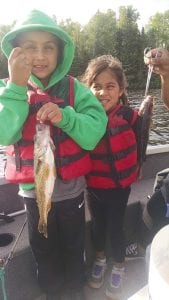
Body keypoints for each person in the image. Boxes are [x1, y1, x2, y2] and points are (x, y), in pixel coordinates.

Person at [0, 10, 107, 300]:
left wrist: (66, 118)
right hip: (33, 197)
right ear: (15, 53)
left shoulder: (76, 90)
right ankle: (50, 290)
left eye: (49, 47)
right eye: (30, 47)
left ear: (61, 52)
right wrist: (16, 87)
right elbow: (3, 133)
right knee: (43, 247)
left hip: (71, 193)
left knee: (74, 244)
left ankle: (74, 289)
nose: (40, 54)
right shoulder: (7, 90)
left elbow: (94, 132)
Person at [82, 55, 152, 299]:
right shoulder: (86, 119)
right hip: (93, 186)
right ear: (88, 89)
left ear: (121, 90)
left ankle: (119, 266)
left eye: (110, 86)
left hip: (120, 188)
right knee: (98, 227)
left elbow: (141, 138)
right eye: (97, 86)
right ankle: (100, 260)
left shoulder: (130, 117)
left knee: (115, 228)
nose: (103, 92)